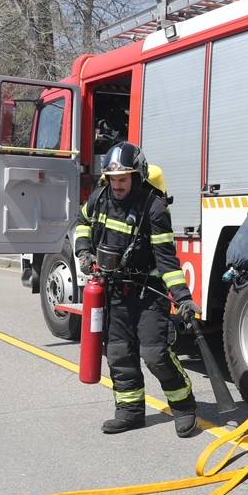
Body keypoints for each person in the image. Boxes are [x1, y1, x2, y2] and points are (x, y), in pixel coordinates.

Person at [73, 142, 200, 436]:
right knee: (118, 352)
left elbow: (167, 260)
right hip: (113, 289)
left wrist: (182, 298)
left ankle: (183, 406)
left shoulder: (153, 208)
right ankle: (129, 411)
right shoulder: (100, 199)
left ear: (137, 176)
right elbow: (82, 222)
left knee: (155, 352)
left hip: (147, 291)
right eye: (113, 179)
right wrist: (83, 251)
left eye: (123, 179)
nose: (117, 185)